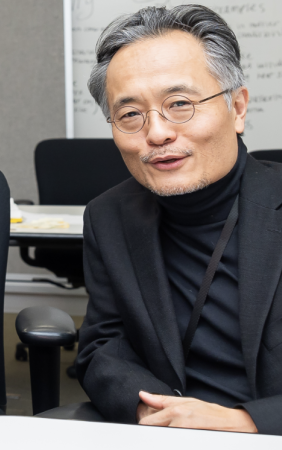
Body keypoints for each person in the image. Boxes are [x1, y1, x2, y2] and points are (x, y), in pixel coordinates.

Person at [76, 4, 282, 435]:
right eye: (130, 114)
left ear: (238, 107)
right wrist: (156, 413)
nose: (156, 133)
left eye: (180, 104)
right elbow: (103, 347)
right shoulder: (109, 216)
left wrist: (245, 422)